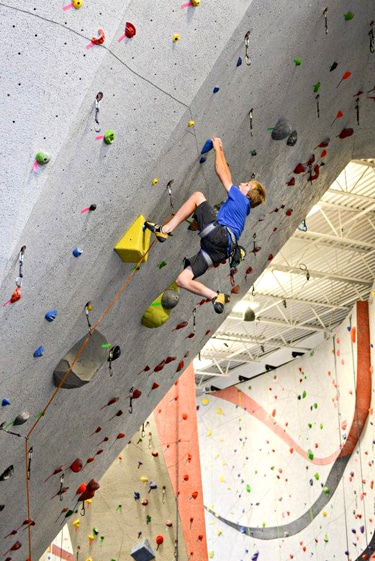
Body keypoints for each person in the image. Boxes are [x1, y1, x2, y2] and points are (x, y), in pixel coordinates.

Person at [144, 137, 266, 314]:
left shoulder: (241, 200)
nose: (242, 183)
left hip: (220, 236)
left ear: (249, 194)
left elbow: (222, 173)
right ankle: (215, 296)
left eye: (246, 184)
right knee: (183, 280)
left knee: (197, 196)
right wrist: (221, 151)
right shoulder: (242, 211)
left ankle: (165, 230)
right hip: (220, 252)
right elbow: (228, 174)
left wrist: (217, 148)